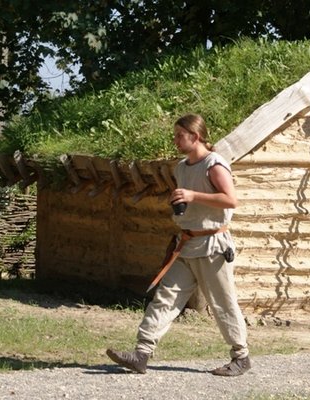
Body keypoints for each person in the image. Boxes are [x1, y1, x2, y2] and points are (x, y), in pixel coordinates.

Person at [106, 113, 250, 376]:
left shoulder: (214, 164)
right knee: (166, 298)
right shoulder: (182, 168)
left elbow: (231, 200)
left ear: (195, 137)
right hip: (186, 244)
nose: (175, 140)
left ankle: (241, 357)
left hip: (213, 246)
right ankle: (141, 353)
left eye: (179, 136)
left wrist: (194, 195)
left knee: (223, 303)